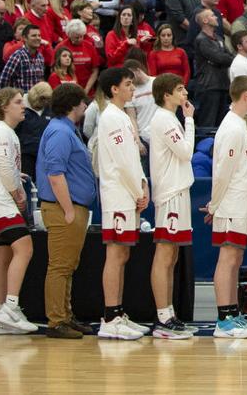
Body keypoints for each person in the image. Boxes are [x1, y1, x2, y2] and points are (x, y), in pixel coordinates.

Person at [93, 67, 150, 340]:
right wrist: (137, 188)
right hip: (118, 195)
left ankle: (117, 312)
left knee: (123, 255)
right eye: (128, 84)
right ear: (114, 89)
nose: (132, 89)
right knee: (115, 255)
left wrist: (142, 183)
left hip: (128, 193)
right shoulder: (111, 118)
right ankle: (110, 317)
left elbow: (132, 157)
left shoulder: (123, 116)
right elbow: (122, 160)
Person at [206, 76, 247, 338]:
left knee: (236, 259)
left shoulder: (239, 125)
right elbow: (222, 172)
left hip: (240, 203)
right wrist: (214, 205)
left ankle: (232, 313)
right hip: (229, 204)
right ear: (245, 96)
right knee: (228, 258)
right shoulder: (231, 127)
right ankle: (223, 319)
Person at [36, 83, 94, 338]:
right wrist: (69, 210)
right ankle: (56, 321)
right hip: (63, 208)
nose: (85, 105)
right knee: (60, 266)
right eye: (82, 102)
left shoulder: (67, 130)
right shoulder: (60, 132)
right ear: (73, 104)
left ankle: (65, 316)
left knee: (68, 265)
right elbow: (55, 174)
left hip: (70, 207)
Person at [0, 88, 37, 335]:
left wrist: (17, 176)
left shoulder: (6, 133)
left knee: (2, 259)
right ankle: (11, 309)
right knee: (25, 247)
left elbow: (3, 166)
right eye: (17, 102)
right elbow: (4, 167)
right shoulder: (2, 131)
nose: (22, 106)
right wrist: (18, 193)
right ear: (4, 106)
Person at [146, 73, 198, 339]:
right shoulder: (165, 120)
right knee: (165, 254)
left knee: (173, 256)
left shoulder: (168, 119)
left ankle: (170, 314)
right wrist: (189, 120)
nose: (185, 92)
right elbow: (187, 152)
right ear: (166, 95)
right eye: (180, 89)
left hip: (178, 190)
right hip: (170, 193)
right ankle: (163, 317)